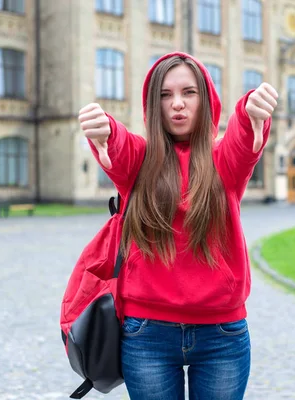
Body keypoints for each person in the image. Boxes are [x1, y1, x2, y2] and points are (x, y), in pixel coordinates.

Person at [78, 52, 278, 400]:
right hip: (147, 335)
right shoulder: (140, 161)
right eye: (165, 95)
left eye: (189, 93)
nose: (177, 105)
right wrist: (106, 128)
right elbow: (121, 145)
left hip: (222, 336)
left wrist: (249, 111)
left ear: (206, 98)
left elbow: (242, 140)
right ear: (153, 105)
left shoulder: (222, 162)